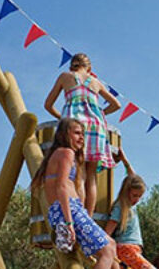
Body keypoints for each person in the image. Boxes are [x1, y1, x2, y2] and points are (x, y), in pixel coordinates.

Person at [31, 117, 133, 269]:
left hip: (66, 210)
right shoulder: (65, 153)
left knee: (111, 245)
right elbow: (60, 187)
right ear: (64, 134)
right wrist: (68, 222)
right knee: (107, 250)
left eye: (83, 134)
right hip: (68, 209)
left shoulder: (60, 156)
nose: (81, 138)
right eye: (77, 133)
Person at [44, 53, 121, 216]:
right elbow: (117, 104)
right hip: (96, 126)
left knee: (79, 173)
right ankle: (89, 218)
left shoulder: (65, 77)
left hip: (73, 126)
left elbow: (48, 105)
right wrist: (101, 114)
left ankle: (77, 216)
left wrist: (62, 118)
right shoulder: (95, 82)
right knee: (91, 175)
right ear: (89, 68)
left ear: (71, 65)